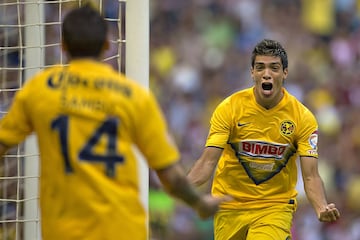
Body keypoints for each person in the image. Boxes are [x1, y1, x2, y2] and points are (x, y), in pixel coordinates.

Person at [0, 5, 230, 240]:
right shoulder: (133, 96)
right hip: (122, 228)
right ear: (107, 46)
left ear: (63, 46)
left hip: (63, 230)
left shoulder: (39, 90)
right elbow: (170, 176)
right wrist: (199, 202)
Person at [187, 39, 340, 240]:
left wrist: (320, 207)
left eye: (274, 68)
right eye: (260, 67)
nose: (266, 73)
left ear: (285, 72)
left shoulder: (302, 118)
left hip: (274, 207)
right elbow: (207, 162)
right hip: (229, 206)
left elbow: (311, 176)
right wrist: (179, 187)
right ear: (252, 72)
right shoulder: (229, 109)